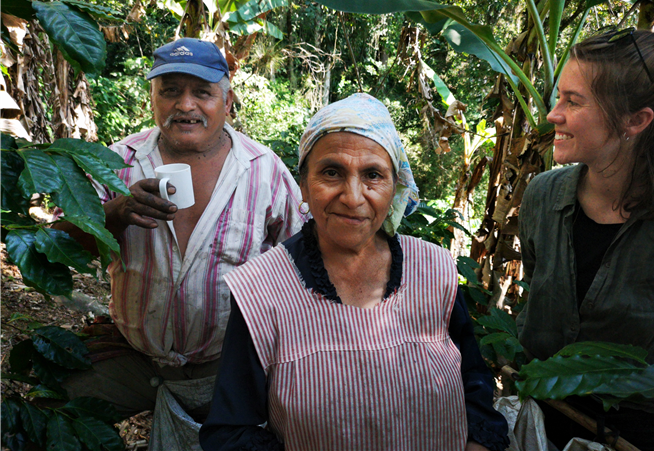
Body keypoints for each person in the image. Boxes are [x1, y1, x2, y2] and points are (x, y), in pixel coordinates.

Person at [200, 93, 510, 451]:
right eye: (331, 172)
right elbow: (230, 431)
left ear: (395, 187)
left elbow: (473, 379)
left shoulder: (435, 270)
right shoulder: (261, 290)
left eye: (373, 175)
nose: (352, 196)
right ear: (302, 183)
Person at [59, 38, 306, 442]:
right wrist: (115, 215)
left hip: (227, 367)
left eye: (202, 92)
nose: (186, 105)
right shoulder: (114, 162)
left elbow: (303, 265)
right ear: (152, 100)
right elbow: (57, 248)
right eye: (170, 90)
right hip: (133, 357)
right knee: (51, 411)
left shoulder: (266, 173)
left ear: (227, 103)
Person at [516, 20, 654, 450]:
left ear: (635, 120)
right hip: (541, 424)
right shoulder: (542, 197)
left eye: (574, 101)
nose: (553, 115)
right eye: (558, 97)